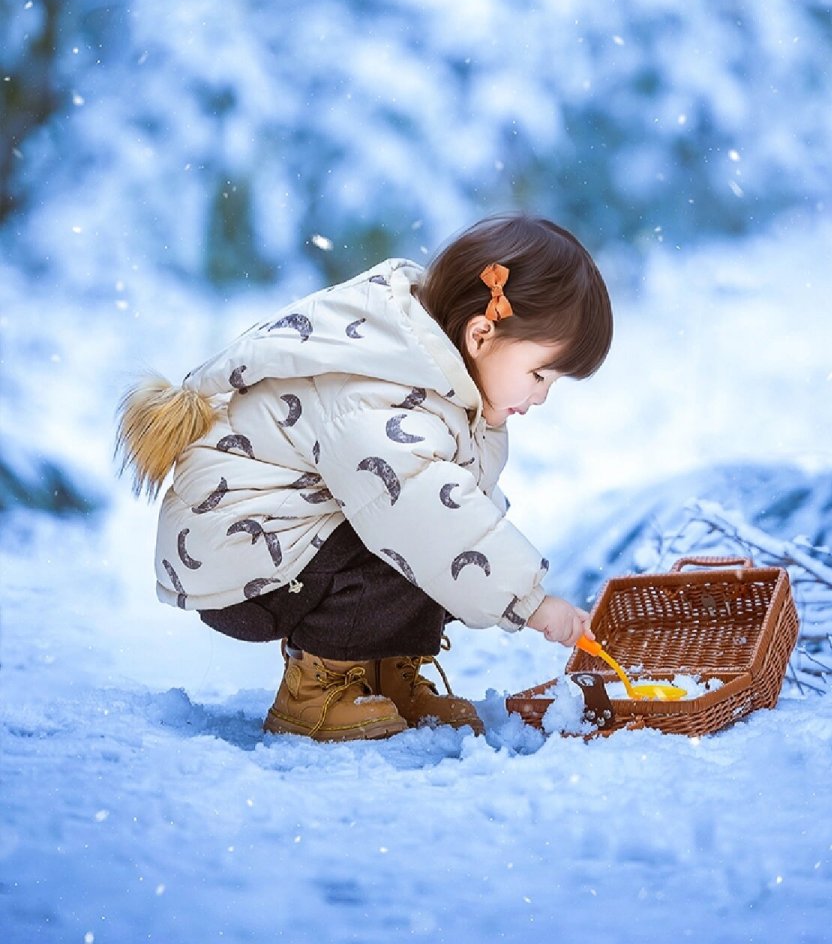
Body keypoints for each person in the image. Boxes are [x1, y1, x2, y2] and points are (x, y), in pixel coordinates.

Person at [116, 214, 613, 743]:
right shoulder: (379, 388)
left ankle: (382, 676)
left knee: (435, 527)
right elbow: (432, 519)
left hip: (285, 541)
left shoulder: (434, 375)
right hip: (240, 551)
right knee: (420, 525)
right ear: (480, 334)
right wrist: (532, 603)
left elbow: (463, 503)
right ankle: (317, 690)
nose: (541, 396)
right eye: (540, 374)